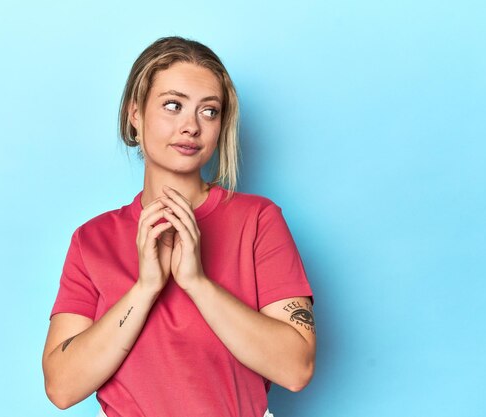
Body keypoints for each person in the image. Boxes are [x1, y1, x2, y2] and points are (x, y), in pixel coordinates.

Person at [42, 36, 316, 417]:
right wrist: (146, 288)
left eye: (209, 111)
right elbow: (62, 387)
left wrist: (196, 282)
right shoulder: (93, 240)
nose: (191, 126)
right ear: (134, 114)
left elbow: (296, 368)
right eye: (173, 105)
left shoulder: (258, 220)